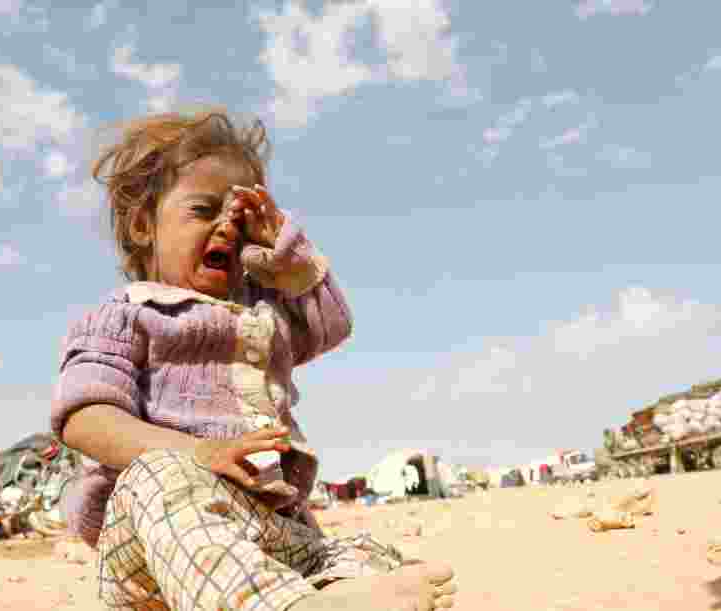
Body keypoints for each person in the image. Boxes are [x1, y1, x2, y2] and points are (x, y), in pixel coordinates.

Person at [52, 108, 457, 611]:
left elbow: (331, 324)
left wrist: (287, 257)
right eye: (202, 211)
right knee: (159, 474)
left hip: (271, 538)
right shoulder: (124, 316)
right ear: (143, 225)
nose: (226, 227)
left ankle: (330, 595)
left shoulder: (263, 318)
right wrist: (194, 452)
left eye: (240, 221)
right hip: (158, 546)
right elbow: (85, 417)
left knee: (361, 550)